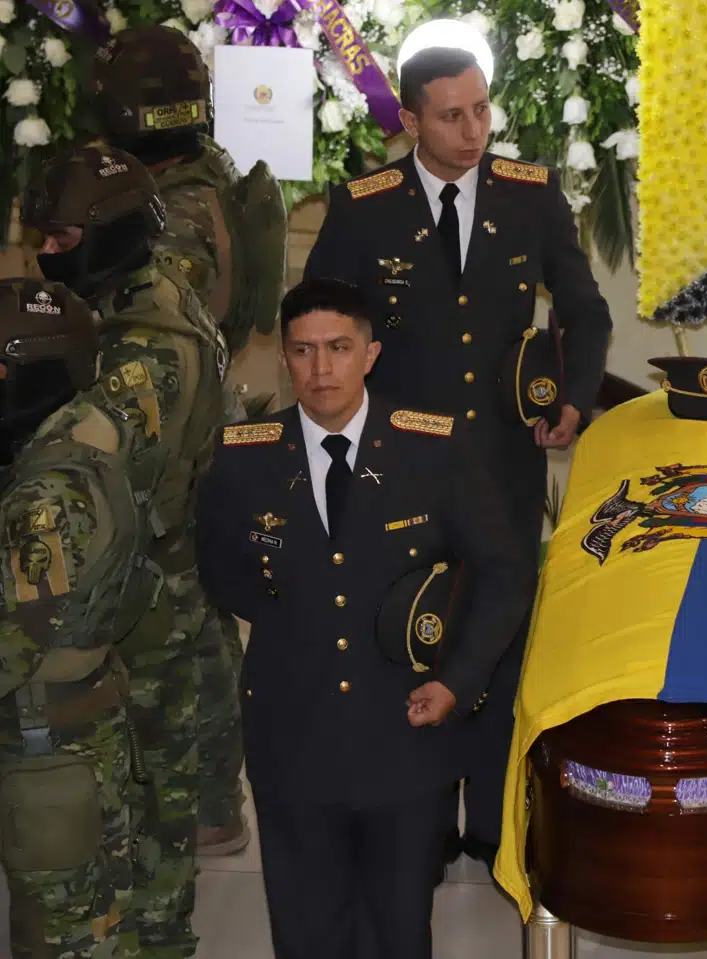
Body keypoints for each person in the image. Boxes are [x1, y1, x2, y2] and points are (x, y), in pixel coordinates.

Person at [302, 43, 612, 869]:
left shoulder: (530, 194)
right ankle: (423, 819)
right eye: (450, 115)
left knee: (496, 629)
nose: (473, 130)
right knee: (410, 628)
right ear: (409, 121)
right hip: (402, 466)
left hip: (503, 460)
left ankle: (491, 819)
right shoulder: (364, 206)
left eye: (481, 109)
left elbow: (585, 309)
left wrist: (575, 398)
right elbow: (322, 321)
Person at [195, 278, 534, 958]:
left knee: (399, 928)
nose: (322, 370)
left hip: (407, 730)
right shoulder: (243, 457)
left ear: (371, 353)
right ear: (284, 357)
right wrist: (303, 625)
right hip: (293, 730)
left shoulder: (434, 448)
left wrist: (459, 682)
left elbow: (505, 569)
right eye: (303, 351)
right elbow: (223, 572)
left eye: (340, 348)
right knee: (307, 927)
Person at [22, 144, 231, 959]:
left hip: (144, 603)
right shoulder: (151, 283)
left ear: (107, 234)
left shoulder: (144, 352)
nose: (47, 251)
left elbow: (71, 472)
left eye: (64, 236)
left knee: (150, 811)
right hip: (154, 583)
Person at [91, 22, 289, 857]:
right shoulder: (219, 184)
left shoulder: (164, 216)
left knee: (173, 637)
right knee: (205, 623)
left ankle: (190, 811)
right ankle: (216, 802)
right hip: (220, 423)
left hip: (166, 442)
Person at [0, 277, 162, 958]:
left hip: (50, 764)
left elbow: (10, 645)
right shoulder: (77, 441)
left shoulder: (45, 495)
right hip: (79, 740)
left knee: (64, 939)